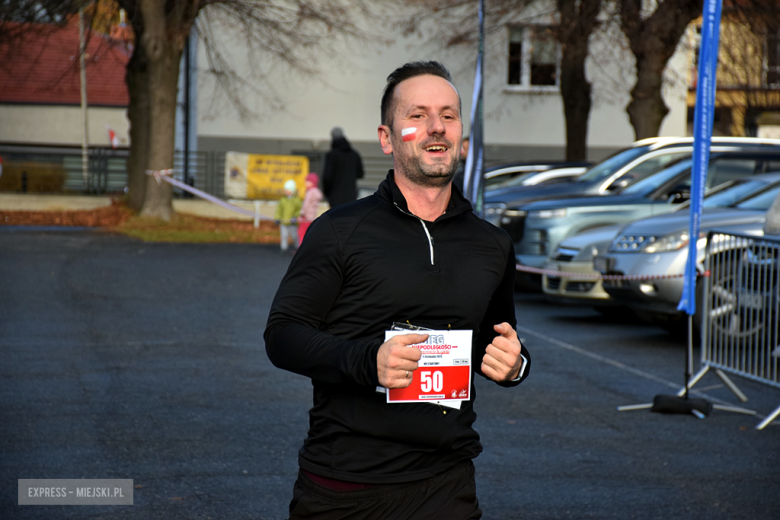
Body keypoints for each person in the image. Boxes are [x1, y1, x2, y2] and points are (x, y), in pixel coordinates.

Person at [264, 61, 530, 520]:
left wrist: (516, 365)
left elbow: (493, 341)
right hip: (344, 487)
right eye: (418, 115)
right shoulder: (339, 231)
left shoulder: (492, 244)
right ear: (387, 137)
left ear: (462, 137)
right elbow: (282, 335)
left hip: (446, 484)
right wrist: (368, 361)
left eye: (448, 115)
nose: (436, 127)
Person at [321, 127, 364, 207]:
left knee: (335, 219)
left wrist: (326, 192)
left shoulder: (331, 155)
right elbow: (360, 174)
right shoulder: (354, 154)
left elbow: (327, 177)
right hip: (350, 196)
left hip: (335, 197)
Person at [275, 179, 302, 253]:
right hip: (283, 222)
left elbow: (298, 210)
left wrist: (295, 217)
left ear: (292, 190)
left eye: (288, 190)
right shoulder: (282, 199)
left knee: (295, 236)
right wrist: (278, 218)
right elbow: (279, 210)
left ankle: (298, 247)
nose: (286, 191)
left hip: (292, 223)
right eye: (285, 190)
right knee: (284, 235)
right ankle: (283, 248)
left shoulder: (296, 200)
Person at [298, 173, 323, 246]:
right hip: (312, 216)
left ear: (312, 183)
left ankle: (301, 248)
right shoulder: (316, 192)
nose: (305, 183)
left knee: (302, 233)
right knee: (310, 233)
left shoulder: (309, 192)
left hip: (306, 216)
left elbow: (306, 204)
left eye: (307, 181)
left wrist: (302, 213)